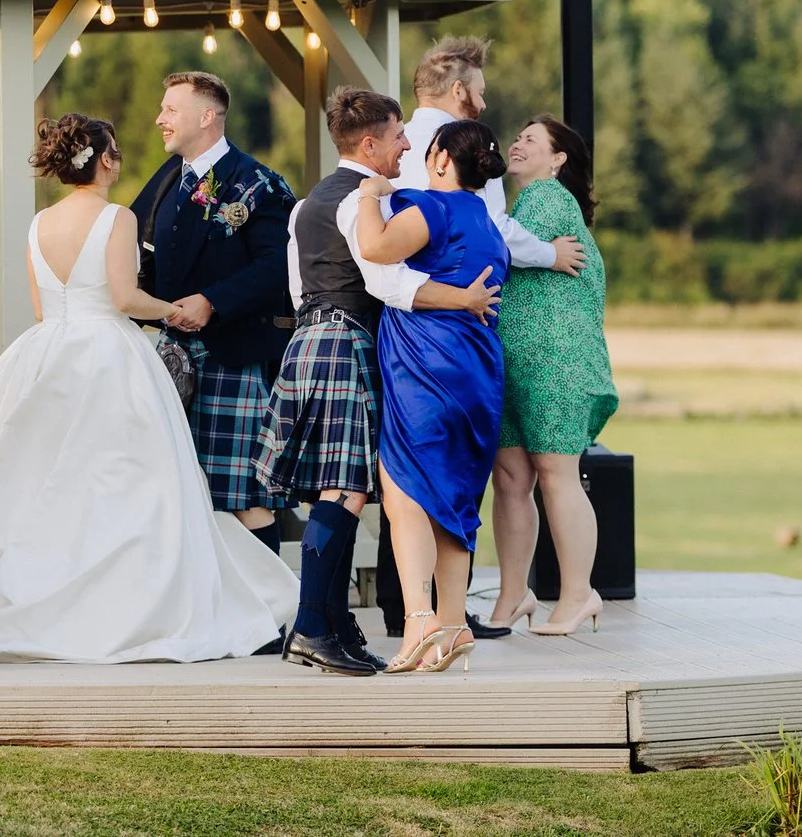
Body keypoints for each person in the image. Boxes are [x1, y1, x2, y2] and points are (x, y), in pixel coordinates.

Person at [0, 116, 294, 663]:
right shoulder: (117, 219)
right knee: (125, 481)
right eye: (115, 151)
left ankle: (42, 588)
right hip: (111, 354)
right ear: (104, 160)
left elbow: (45, 308)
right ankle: (118, 604)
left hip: (47, 353)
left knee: (44, 476)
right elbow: (123, 298)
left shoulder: (39, 222)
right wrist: (172, 313)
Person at [257, 88, 426, 676]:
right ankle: (310, 627)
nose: (407, 144)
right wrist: (454, 299)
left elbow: (298, 288)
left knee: (342, 488)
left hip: (312, 338)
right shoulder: (361, 201)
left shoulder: (308, 204)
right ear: (371, 142)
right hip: (345, 340)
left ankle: (332, 624)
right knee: (345, 490)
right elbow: (386, 284)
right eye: (399, 134)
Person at [353, 119, 509, 675]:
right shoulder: (487, 222)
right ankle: (451, 623)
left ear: (441, 159)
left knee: (403, 493)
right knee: (454, 502)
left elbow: (374, 247)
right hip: (479, 374)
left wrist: (371, 193)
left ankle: (418, 620)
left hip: (428, 369)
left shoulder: (433, 209)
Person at [128, 72, 296, 551]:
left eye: (170, 110)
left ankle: (270, 613)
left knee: (242, 494)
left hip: (232, 355)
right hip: (170, 355)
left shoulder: (259, 183)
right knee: (176, 489)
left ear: (207, 116)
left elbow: (276, 266)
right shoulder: (164, 181)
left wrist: (212, 302)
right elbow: (141, 257)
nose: (160, 119)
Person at [486, 115, 618, 638]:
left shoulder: (545, 199)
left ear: (558, 159)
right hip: (519, 366)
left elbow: (493, 238)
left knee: (552, 477)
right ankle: (514, 593)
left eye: (531, 141)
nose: (517, 145)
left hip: (552, 365)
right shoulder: (528, 204)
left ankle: (578, 593)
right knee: (513, 480)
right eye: (517, 138)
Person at [399, 38, 585, 280]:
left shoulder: (394, 144)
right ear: (458, 90)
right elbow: (492, 227)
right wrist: (552, 254)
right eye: (480, 93)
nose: (483, 104)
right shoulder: (472, 146)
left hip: (396, 297)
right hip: (456, 291)